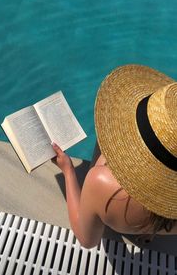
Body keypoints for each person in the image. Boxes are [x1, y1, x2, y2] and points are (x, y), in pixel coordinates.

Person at [52, 64, 177, 249]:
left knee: (106, 136)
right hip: (162, 225)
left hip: (125, 217)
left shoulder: (101, 182)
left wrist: (68, 171)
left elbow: (87, 240)